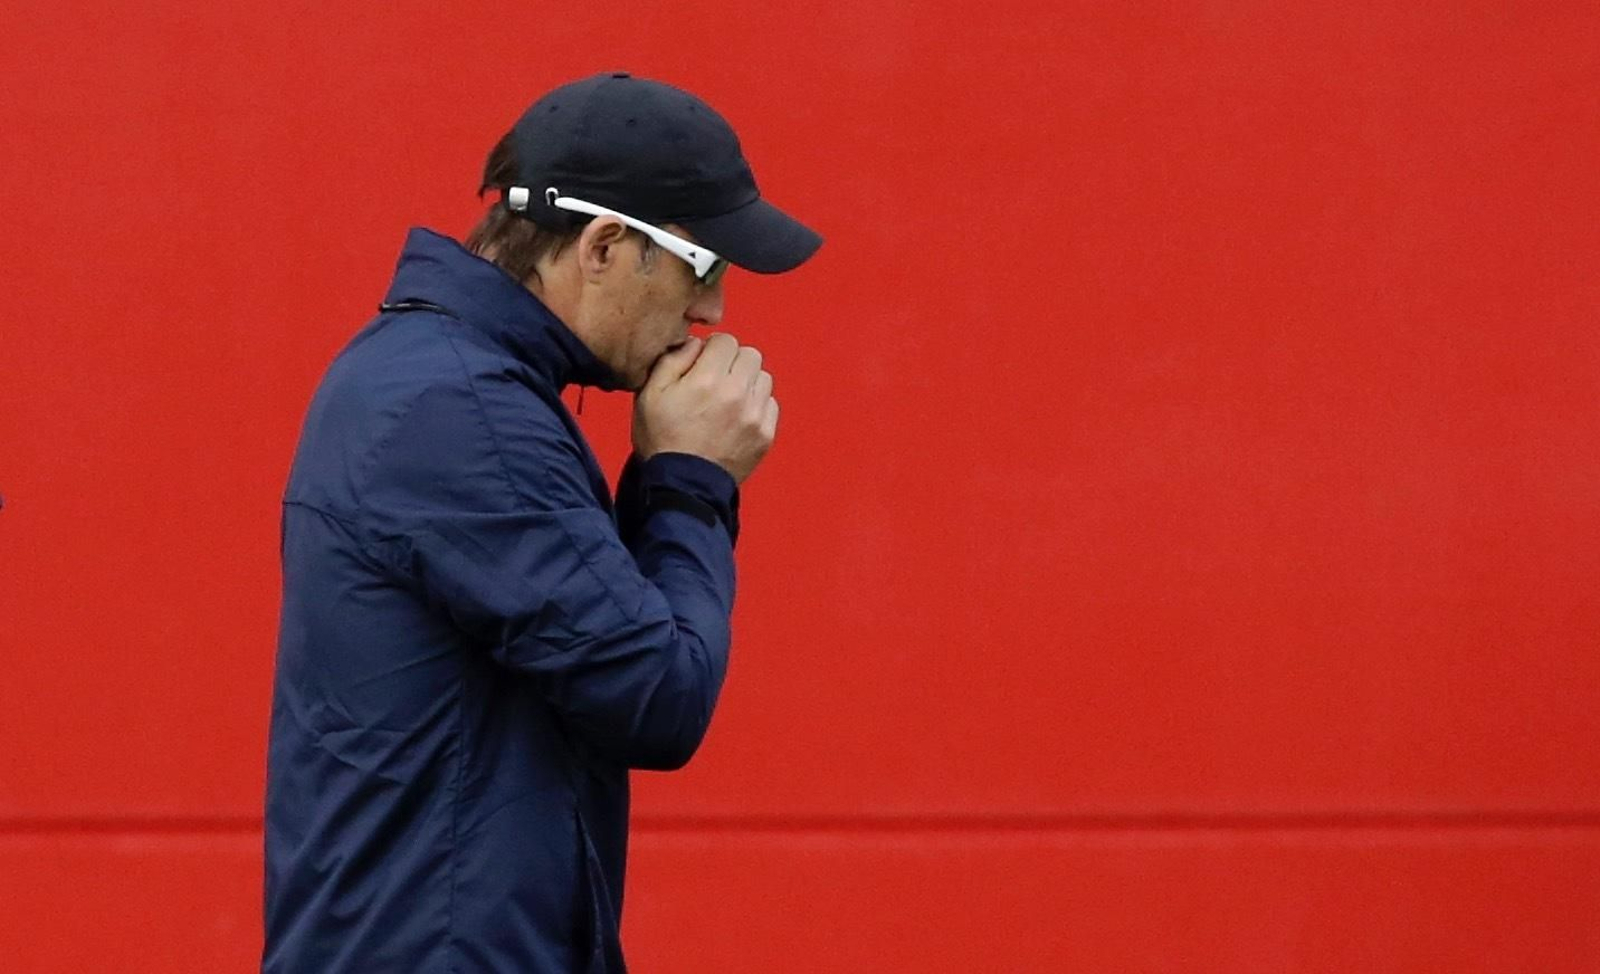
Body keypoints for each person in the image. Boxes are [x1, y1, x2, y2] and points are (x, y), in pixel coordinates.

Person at [261, 71, 822, 973]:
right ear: (603, 247)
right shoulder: (464, 409)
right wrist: (689, 482)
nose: (712, 312)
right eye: (701, 264)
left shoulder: (450, 378)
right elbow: (656, 698)